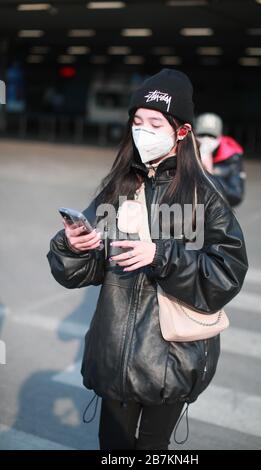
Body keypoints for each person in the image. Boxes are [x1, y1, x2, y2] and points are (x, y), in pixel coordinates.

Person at [47, 69, 248, 450]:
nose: (143, 130)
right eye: (137, 121)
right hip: (115, 352)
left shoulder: (204, 194)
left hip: (172, 357)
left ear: (182, 131)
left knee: (151, 451)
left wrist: (162, 256)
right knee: (112, 448)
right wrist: (75, 246)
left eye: (155, 122)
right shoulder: (121, 184)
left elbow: (226, 275)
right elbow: (85, 270)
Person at [195, 113, 246, 207]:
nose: (206, 139)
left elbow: (236, 196)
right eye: (202, 134)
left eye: (211, 136)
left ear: (219, 137)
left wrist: (210, 175)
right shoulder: (185, 150)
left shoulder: (232, 156)